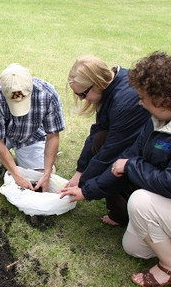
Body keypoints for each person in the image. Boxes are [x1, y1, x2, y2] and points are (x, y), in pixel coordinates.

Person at [61, 55, 150, 226]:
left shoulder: (124, 102)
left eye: (82, 94)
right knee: (100, 140)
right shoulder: (111, 87)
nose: (81, 99)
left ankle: (124, 211)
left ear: (97, 83)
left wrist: (85, 189)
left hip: (151, 152)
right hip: (132, 141)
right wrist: (81, 172)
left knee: (112, 160)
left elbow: (111, 152)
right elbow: (99, 130)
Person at [110, 52, 171, 287]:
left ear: (163, 100)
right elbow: (133, 152)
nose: (139, 102)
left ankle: (168, 266)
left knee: (140, 202)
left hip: (163, 196)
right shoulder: (156, 119)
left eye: (144, 98)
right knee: (133, 248)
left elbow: (167, 181)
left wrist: (131, 166)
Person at [0, 63, 65, 192]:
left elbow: (53, 135)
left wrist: (47, 173)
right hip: (3, 136)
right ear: (0, 86)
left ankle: (17, 158)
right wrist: (17, 176)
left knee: (44, 174)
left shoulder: (48, 93)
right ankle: (0, 157)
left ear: (32, 81)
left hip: (30, 136)